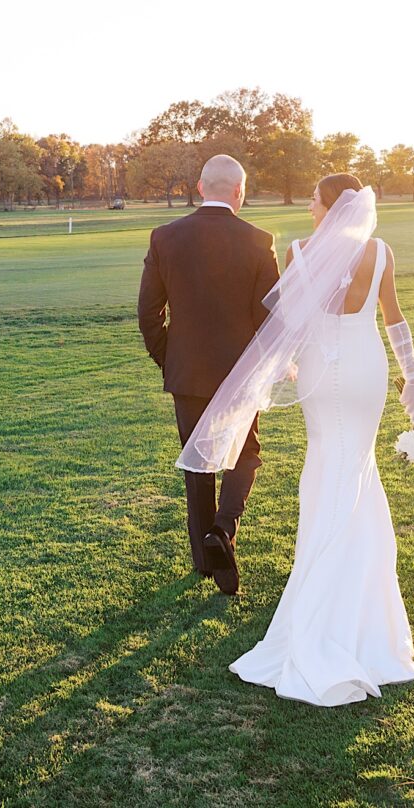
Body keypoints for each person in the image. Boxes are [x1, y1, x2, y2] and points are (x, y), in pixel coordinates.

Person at [180, 173, 414, 705]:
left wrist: (273, 374)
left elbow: (287, 328)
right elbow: (395, 320)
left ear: (329, 207)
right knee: (355, 468)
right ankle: (363, 613)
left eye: (314, 201)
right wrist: (413, 376)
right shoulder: (380, 251)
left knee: (327, 467)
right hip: (366, 372)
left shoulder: (298, 252)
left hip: (320, 372)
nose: (311, 209)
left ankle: (322, 597)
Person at [137, 154, 279, 595]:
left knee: (196, 464)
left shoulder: (165, 237)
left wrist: (170, 358)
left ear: (200, 187)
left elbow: (148, 314)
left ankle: (205, 561)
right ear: (239, 192)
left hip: (188, 373)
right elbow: (271, 319)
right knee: (245, 455)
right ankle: (222, 529)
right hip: (241, 374)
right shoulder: (259, 240)